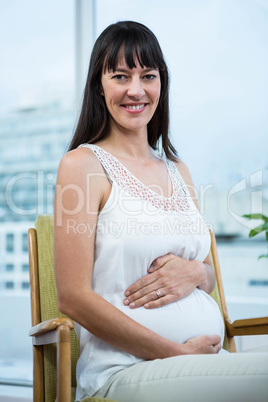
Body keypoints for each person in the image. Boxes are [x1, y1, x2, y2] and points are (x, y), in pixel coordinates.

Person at [54, 21, 268, 402]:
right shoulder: (82, 165)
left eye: (147, 76)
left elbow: (207, 274)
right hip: (128, 368)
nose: (135, 90)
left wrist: (195, 272)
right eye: (121, 76)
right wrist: (176, 352)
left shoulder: (177, 169)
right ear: (98, 86)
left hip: (203, 362)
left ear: (161, 85)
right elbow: (71, 297)